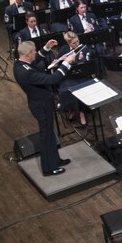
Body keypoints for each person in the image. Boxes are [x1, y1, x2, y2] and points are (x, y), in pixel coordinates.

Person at [13, 40, 77, 176]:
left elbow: (35, 63)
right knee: (46, 135)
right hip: (41, 105)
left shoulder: (20, 64)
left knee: (50, 133)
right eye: (34, 51)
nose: (36, 52)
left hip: (41, 102)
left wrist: (46, 48)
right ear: (29, 54)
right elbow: (53, 79)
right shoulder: (27, 73)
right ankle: (49, 168)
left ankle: (55, 160)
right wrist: (66, 63)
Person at [56, 31, 96, 127]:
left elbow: (89, 63)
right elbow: (58, 64)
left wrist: (81, 61)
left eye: (77, 41)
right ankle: (71, 109)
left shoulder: (84, 48)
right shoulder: (64, 49)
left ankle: (82, 113)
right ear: (69, 43)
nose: (77, 44)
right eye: (74, 43)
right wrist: (62, 60)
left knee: (81, 88)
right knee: (65, 90)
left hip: (82, 75)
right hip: (69, 76)